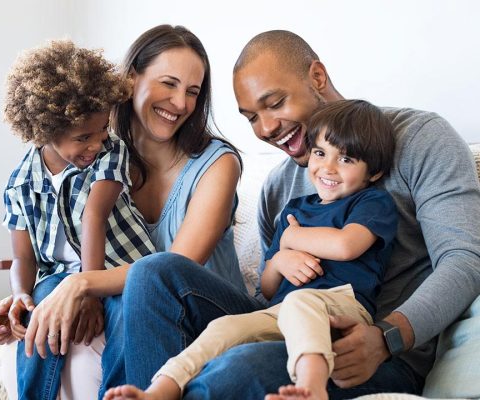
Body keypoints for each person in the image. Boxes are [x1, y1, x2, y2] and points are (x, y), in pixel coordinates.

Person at [110, 30, 480, 399]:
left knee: (236, 370)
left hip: (378, 353)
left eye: (275, 103)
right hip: (289, 325)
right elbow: (270, 297)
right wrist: (280, 262)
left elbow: (465, 260)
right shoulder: (278, 186)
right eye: (252, 117)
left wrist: (387, 337)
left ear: (316, 78)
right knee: (153, 272)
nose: (267, 128)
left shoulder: (420, 138)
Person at [0, 24, 252, 400]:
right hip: (138, 301)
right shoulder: (95, 157)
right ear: (131, 78)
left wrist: (81, 284)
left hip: (204, 310)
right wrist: (26, 299)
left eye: (192, 91)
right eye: (168, 83)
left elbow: (173, 270)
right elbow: (59, 246)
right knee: (51, 302)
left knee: (146, 281)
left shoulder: (216, 164)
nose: (182, 103)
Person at [103, 99, 398, 400]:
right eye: (320, 153)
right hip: (281, 311)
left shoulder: (371, 202)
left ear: (372, 173)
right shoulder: (295, 210)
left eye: (346, 160)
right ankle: (159, 390)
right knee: (224, 328)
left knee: (301, 303)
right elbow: (268, 288)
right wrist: (281, 258)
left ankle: (311, 389)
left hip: (341, 308)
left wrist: (292, 240)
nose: (328, 168)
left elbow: (346, 245)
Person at [0, 40, 156, 400]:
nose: (95, 144)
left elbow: (94, 216)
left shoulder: (110, 151)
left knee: (125, 313)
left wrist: (89, 290)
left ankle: (119, 394)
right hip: (58, 277)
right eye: (83, 137)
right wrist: (20, 295)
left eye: (101, 130)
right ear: (44, 130)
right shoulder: (20, 183)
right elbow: (23, 257)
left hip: (119, 269)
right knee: (39, 310)